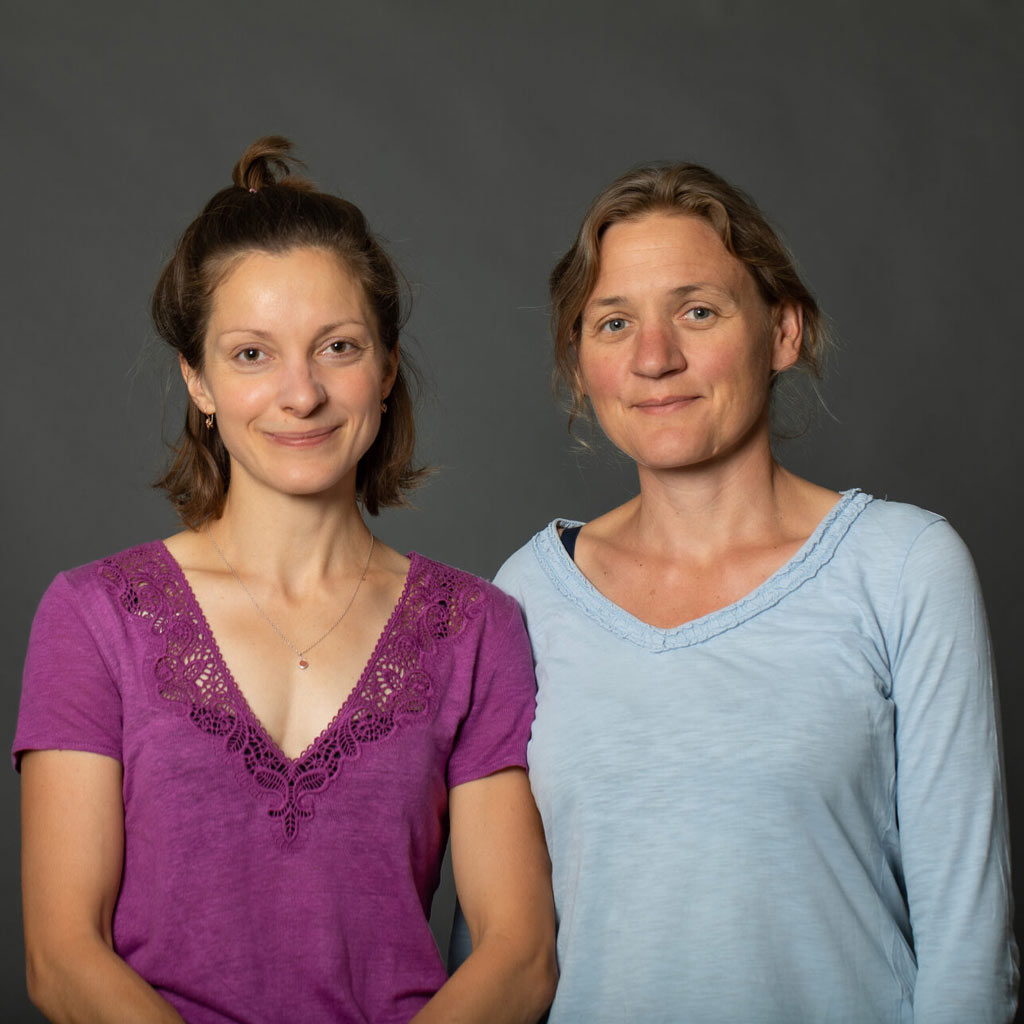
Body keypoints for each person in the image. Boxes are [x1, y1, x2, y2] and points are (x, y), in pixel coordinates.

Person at [15, 137, 556, 1024]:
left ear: (386, 367)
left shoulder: (476, 627)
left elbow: (520, 956)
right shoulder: (93, 615)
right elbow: (62, 958)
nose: (301, 395)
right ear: (197, 380)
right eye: (251, 355)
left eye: (337, 347)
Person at [491, 164, 1019, 1021]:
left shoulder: (904, 567)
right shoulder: (524, 595)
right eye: (615, 322)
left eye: (698, 311)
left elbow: (969, 949)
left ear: (783, 332)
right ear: (580, 363)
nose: (655, 358)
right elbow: (500, 950)